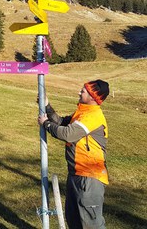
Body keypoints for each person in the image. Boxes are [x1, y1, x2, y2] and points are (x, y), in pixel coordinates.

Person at [38, 79, 110, 229]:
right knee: (74, 220)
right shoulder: (82, 113)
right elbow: (61, 122)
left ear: (92, 97)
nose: (79, 92)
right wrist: (47, 107)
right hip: (76, 175)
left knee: (91, 224)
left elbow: (67, 134)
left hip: (89, 177)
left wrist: (46, 124)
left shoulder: (93, 117)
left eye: (83, 91)